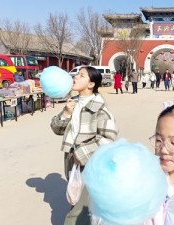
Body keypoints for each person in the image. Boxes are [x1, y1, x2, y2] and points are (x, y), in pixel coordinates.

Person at [50, 66, 118, 225]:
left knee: (78, 211)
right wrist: (66, 113)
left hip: (90, 163)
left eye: (81, 76)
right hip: (70, 159)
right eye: (77, 74)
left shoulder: (100, 108)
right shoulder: (72, 103)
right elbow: (56, 129)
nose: (75, 77)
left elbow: (108, 138)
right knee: (75, 198)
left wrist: (82, 153)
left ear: (91, 84)